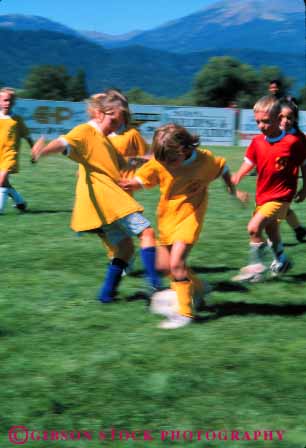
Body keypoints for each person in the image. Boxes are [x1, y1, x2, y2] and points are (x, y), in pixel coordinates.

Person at [31, 90, 162, 302]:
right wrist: (42, 152)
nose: (115, 126)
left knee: (126, 249)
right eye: (113, 120)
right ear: (99, 114)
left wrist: (151, 158)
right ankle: (156, 286)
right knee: (147, 233)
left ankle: (106, 295)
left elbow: (125, 164)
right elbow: (64, 142)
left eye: (118, 123)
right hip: (109, 199)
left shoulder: (104, 139)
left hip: (101, 204)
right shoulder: (85, 131)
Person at [120, 123, 248, 329]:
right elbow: (143, 178)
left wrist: (233, 191)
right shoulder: (162, 161)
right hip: (168, 217)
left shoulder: (204, 160)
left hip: (191, 217)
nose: (167, 165)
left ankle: (184, 313)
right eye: (163, 161)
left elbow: (222, 167)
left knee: (177, 262)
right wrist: (130, 183)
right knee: (163, 267)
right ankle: (198, 287)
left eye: (172, 160)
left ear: (186, 149)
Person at [231, 95, 306, 282]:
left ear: (277, 118)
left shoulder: (292, 143)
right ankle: (282, 261)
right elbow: (249, 161)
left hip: (281, 197)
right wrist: (238, 176)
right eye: (257, 121)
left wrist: (305, 188)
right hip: (263, 196)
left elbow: (305, 164)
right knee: (272, 232)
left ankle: (256, 269)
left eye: (265, 121)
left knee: (254, 228)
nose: (261, 126)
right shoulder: (257, 142)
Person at [0, 87, 34, 214]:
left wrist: (33, 150)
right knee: (4, 183)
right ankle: (21, 203)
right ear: (0, 101)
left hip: (10, 154)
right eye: (5, 100)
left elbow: (28, 136)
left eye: (10, 101)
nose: (7, 103)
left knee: (2, 179)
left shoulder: (17, 120)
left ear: (13, 102)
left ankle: (0, 210)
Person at [279, 98, 306, 242]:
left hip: (287, 184)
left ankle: (272, 247)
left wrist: (305, 188)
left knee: (273, 213)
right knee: (282, 210)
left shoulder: (300, 138)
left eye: (289, 117)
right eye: (281, 116)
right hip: (269, 182)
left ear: (295, 118)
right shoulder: (273, 132)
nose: (284, 120)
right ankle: (299, 229)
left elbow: (304, 165)